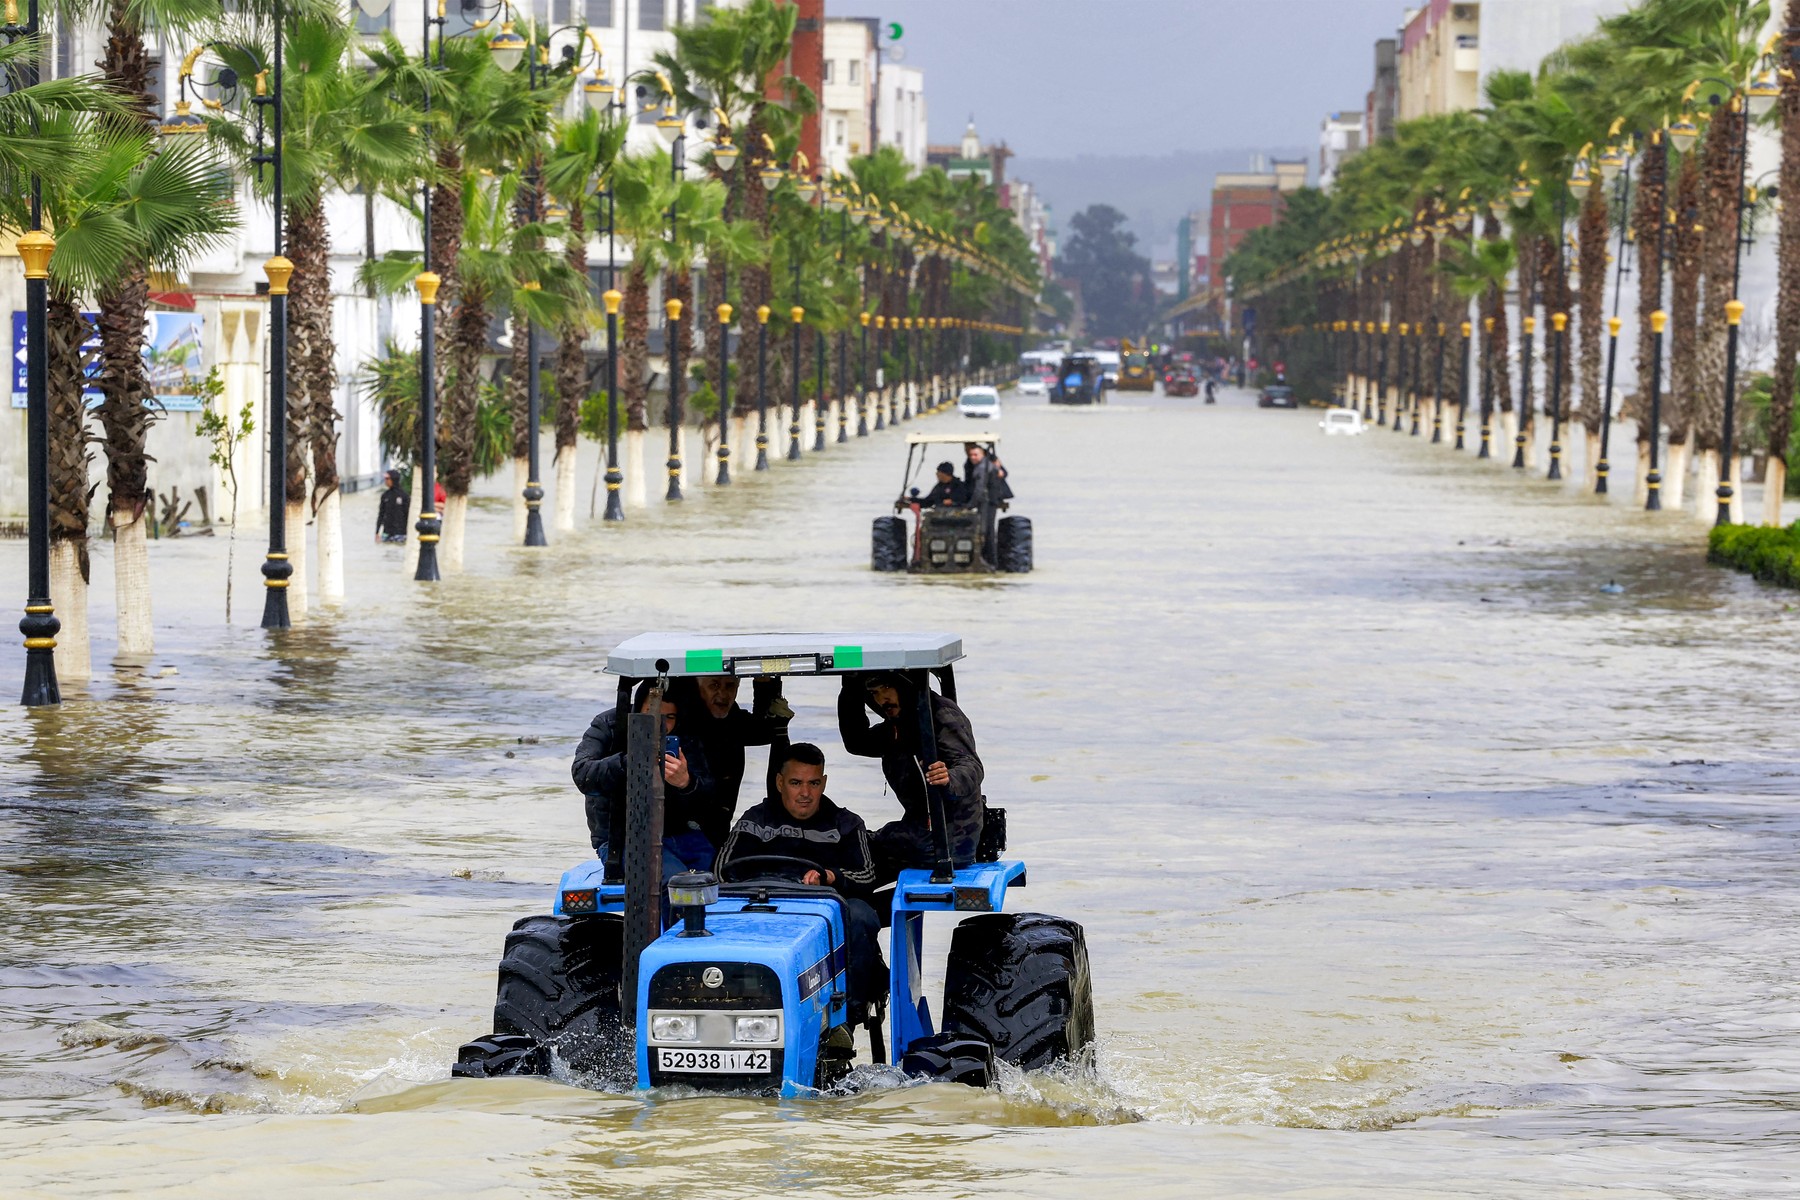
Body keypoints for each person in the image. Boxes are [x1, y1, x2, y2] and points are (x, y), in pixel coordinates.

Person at [716, 743, 885, 1008]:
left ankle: (848, 1015)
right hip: (763, 908)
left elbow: (867, 875)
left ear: (824, 783)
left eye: (814, 783)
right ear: (780, 782)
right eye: (796, 783)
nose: (805, 793)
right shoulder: (754, 820)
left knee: (862, 915)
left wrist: (830, 876)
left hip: (824, 916)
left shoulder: (847, 824)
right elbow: (721, 871)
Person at [837, 671, 984, 879]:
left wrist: (949, 778)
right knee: (849, 838)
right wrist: (850, 689)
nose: (881, 699)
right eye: (874, 693)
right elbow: (857, 742)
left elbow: (971, 765)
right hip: (919, 828)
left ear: (904, 686)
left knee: (857, 848)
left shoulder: (941, 714)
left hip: (949, 839)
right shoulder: (898, 724)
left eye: (887, 688)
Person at [572, 681, 719, 880]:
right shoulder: (609, 725)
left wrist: (687, 783)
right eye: (652, 713)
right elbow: (583, 775)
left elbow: (710, 796)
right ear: (637, 709)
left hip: (677, 833)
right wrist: (630, 761)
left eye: (669, 717)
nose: (661, 725)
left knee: (719, 873)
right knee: (674, 881)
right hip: (620, 839)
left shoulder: (683, 735)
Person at [688, 674, 792, 850]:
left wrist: (764, 683)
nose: (722, 694)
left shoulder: (733, 721)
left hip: (718, 828)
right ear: (698, 688)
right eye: (714, 685)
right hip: (682, 829)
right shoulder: (684, 720)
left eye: (730, 686)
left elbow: (764, 731)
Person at [963, 444, 1012, 565]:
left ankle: (989, 562)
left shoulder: (984, 466)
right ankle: (988, 560)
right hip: (984, 499)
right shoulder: (975, 464)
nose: (972, 457)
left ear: (982, 453)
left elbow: (980, 489)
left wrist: (969, 506)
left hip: (988, 501)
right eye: (970, 454)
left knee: (986, 531)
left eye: (975, 454)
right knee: (985, 530)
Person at [376, 469, 409, 543]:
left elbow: (408, 514)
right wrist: (377, 532)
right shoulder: (385, 496)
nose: (385, 481)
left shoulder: (404, 496)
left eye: (387, 479)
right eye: (385, 479)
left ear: (393, 479)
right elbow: (381, 514)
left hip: (401, 533)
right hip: (386, 533)